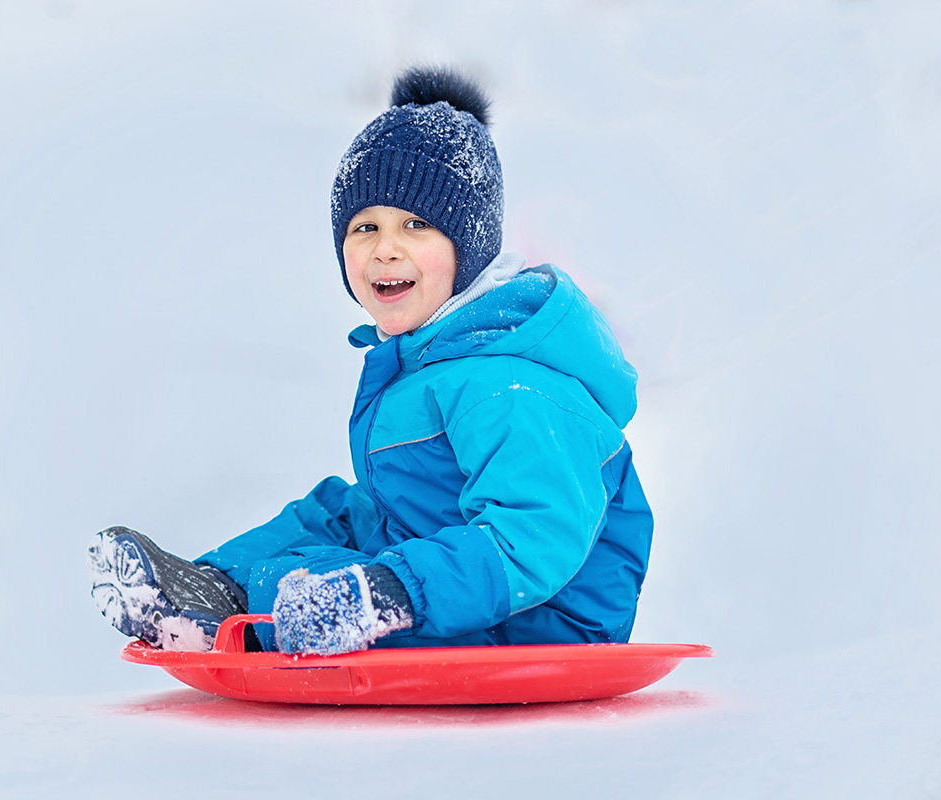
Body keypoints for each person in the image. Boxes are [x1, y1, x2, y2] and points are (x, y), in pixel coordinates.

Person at [87, 66, 653, 656]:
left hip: (532, 619)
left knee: (319, 575)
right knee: (341, 514)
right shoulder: (432, 364)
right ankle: (210, 590)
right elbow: (396, 513)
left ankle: (257, 618)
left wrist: (387, 592)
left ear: (471, 245)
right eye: (365, 227)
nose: (386, 248)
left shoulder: (509, 384)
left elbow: (531, 537)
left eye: (416, 225)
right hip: (449, 591)